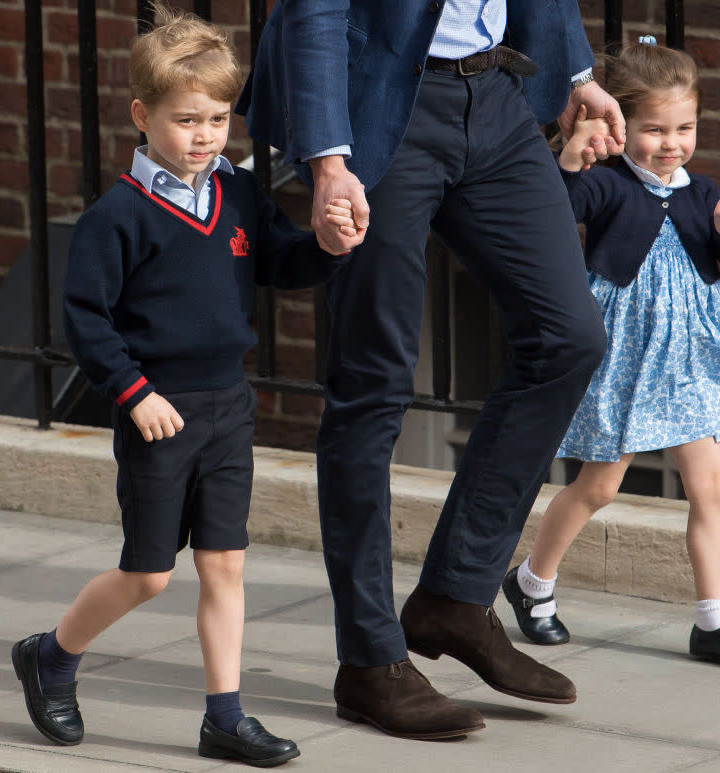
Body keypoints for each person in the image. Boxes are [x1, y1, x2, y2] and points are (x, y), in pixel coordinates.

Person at [238, 0, 626, 741]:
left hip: (495, 100)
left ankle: (456, 595)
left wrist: (575, 67)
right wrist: (328, 163)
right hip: (378, 107)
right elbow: (316, 12)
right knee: (374, 383)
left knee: (568, 337)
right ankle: (370, 659)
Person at [9, 3, 353, 765]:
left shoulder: (238, 195)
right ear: (142, 115)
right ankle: (52, 654)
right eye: (186, 119)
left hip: (228, 406)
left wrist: (326, 247)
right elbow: (87, 320)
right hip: (156, 411)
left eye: (218, 118)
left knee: (226, 562)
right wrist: (133, 393)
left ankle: (224, 716)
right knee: (149, 573)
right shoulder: (116, 218)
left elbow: (280, 264)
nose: (204, 135)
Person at [502, 37, 720, 671]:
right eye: (654, 129)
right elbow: (554, 212)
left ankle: (715, 622)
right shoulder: (606, 184)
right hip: (625, 352)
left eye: (684, 128)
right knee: (598, 486)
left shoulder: (703, 193)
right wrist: (569, 160)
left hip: (692, 360)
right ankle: (531, 584)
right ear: (622, 125)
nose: (671, 143)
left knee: (713, 485)